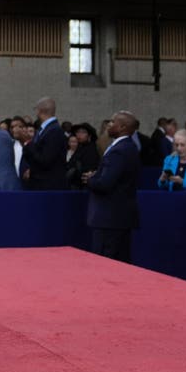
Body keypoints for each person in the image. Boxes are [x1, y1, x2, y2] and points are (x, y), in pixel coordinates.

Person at [83, 111, 141, 263]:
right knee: (120, 261)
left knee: (106, 261)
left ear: (122, 127)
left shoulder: (119, 150)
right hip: (118, 217)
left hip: (109, 218)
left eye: (112, 122)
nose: (109, 124)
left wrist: (90, 180)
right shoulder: (127, 147)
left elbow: (105, 184)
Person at [22, 96, 67, 190]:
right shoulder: (44, 129)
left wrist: (28, 143)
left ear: (39, 110)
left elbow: (45, 159)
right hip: (40, 183)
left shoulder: (54, 131)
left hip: (48, 186)